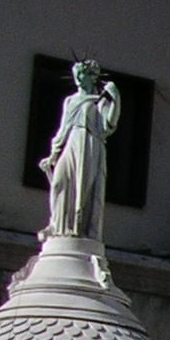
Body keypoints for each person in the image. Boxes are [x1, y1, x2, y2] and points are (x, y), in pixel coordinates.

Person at [40, 60, 121, 240]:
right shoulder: (70, 100)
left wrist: (115, 98)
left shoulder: (99, 101)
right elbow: (63, 128)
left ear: (92, 77)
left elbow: (108, 125)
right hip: (70, 143)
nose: (77, 77)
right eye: (76, 73)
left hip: (89, 143)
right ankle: (57, 225)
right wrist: (53, 155)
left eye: (82, 73)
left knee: (82, 187)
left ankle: (77, 228)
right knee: (59, 183)